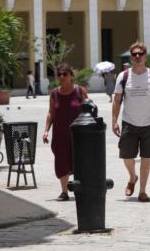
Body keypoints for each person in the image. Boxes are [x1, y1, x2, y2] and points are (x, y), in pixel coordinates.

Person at [112, 42, 150, 202]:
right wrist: (114, 121)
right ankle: (132, 176)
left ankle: (142, 191)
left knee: (146, 157)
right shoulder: (123, 76)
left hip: (149, 123)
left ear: (145, 56)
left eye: (140, 54)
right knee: (126, 156)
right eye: (134, 54)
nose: (137, 57)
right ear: (131, 57)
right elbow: (116, 100)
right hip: (129, 122)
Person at [43, 63, 88, 201]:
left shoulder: (80, 91)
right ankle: (64, 192)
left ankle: (81, 189)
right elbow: (51, 113)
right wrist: (46, 131)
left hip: (78, 134)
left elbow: (90, 109)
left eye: (65, 74)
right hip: (60, 134)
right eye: (59, 74)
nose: (62, 77)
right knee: (61, 161)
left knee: (79, 161)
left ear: (71, 76)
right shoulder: (54, 93)